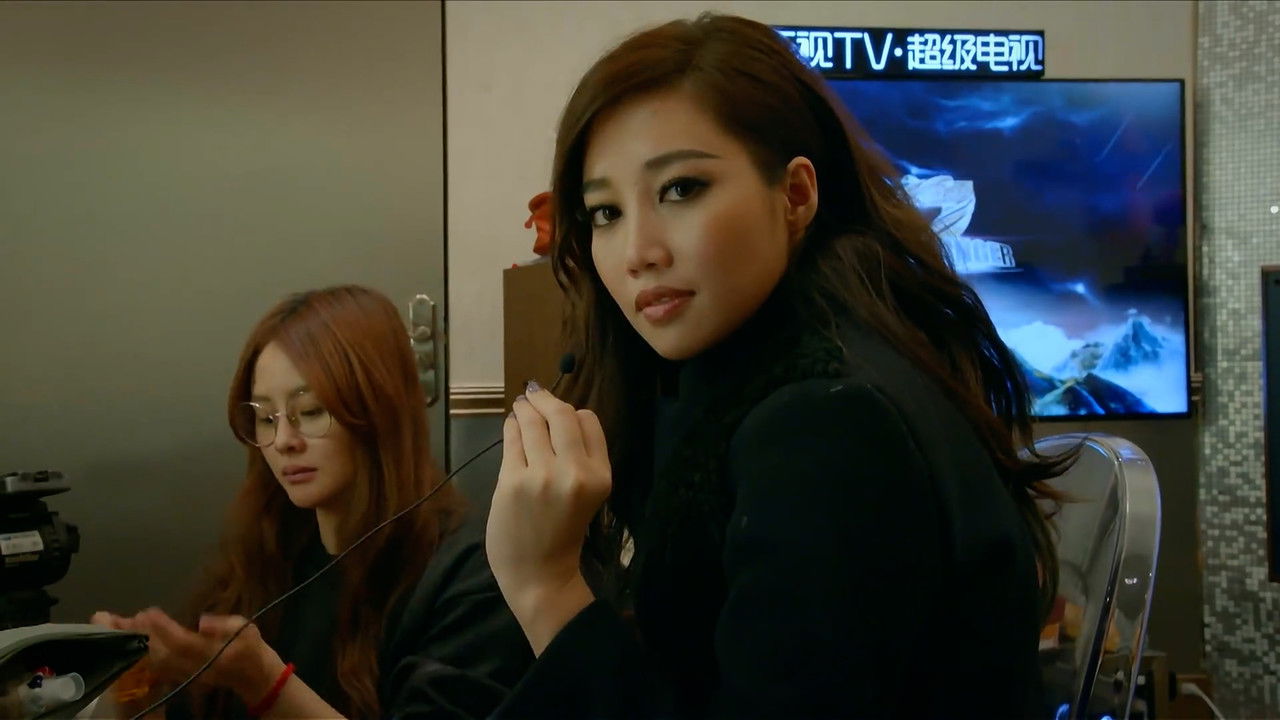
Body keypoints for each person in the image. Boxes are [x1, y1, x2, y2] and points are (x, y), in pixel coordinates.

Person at [483, 13, 1073, 719]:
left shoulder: (826, 425)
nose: (638, 251)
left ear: (796, 194)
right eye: (605, 212)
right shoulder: (790, 368)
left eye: (680, 189)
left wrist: (546, 588)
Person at [92, 285, 531, 719]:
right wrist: (130, 686)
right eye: (266, 418)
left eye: (311, 412)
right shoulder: (270, 555)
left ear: (379, 411)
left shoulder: (468, 574)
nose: (283, 441)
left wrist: (266, 683)